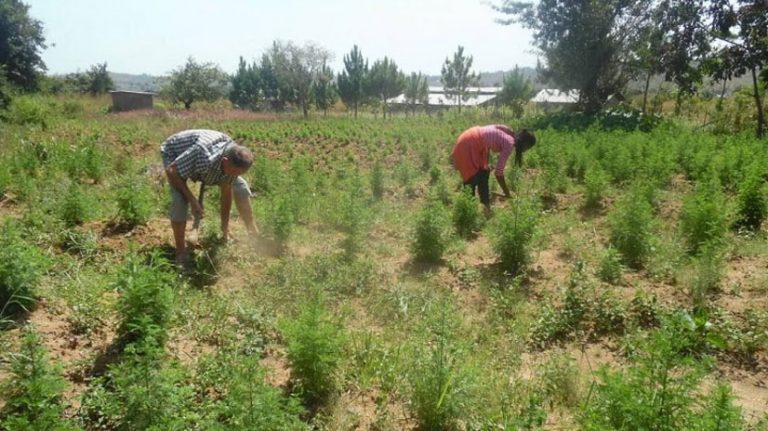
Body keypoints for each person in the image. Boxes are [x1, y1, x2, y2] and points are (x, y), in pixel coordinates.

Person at [161, 129, 259, 264]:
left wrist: (224, 231)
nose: (234, 175)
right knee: (180, 200)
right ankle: (180, 252)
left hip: (207, 164)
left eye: (239, 173)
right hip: (175, 153)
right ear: (225, 161)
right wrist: (192, 199)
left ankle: (254, 233)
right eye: (234, 172)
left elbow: (226, 194)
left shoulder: (233, 161)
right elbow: (172, 171)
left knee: (241, 188)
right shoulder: (204, 156)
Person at [451, 125, 536, 215]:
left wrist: (486, 164)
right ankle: (467, 213)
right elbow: (498, 173)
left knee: (484, 172)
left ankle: (486, 208)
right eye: (528, 148)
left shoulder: (509, 132)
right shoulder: (509, 143)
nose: (526, 150)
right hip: (469, 143)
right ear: (525, 144)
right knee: (471, 181)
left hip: (473, 138)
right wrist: (507, 193)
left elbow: (488, 138)